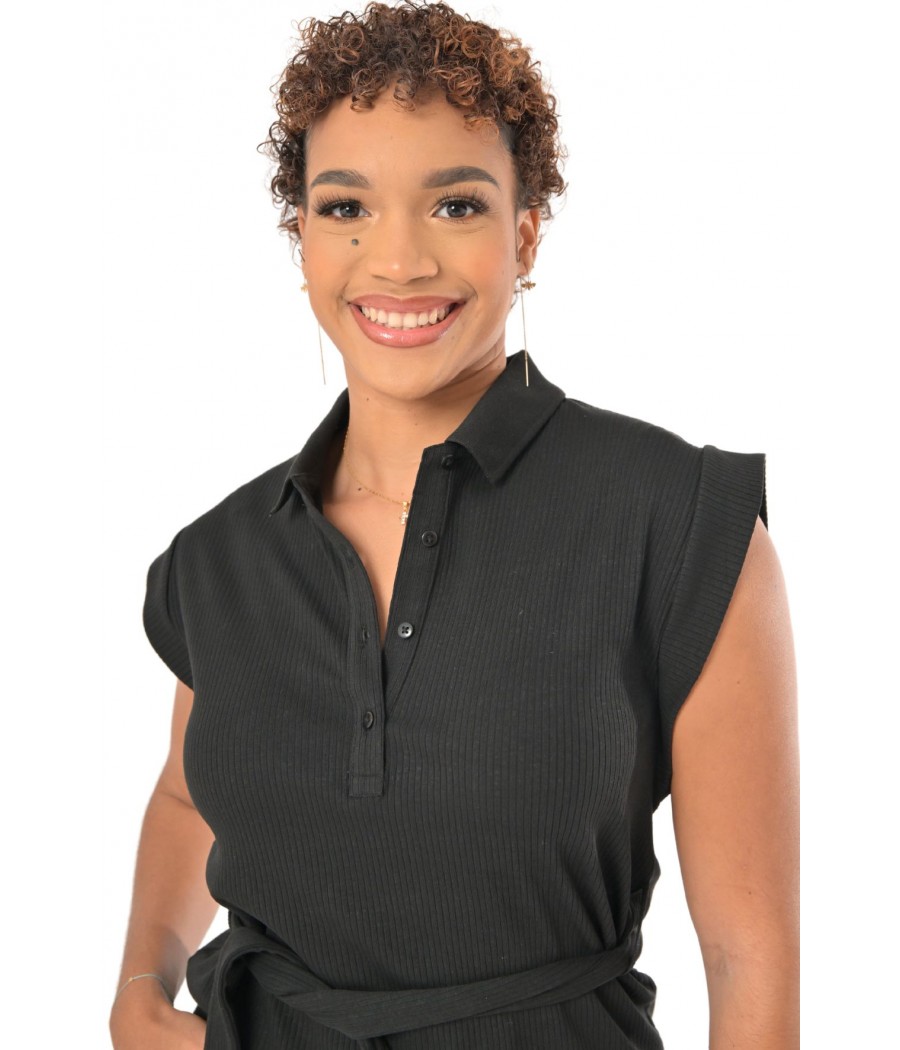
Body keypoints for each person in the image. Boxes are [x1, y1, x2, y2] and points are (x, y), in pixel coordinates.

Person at [109, 2, 799, 1048]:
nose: (397, 261)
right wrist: (138, 987)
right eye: (346, 206)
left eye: (456, 205)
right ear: (303, 237)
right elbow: (186, 794)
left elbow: (748, 958)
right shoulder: (220, 560)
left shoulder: (678, 524)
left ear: (525, 233)